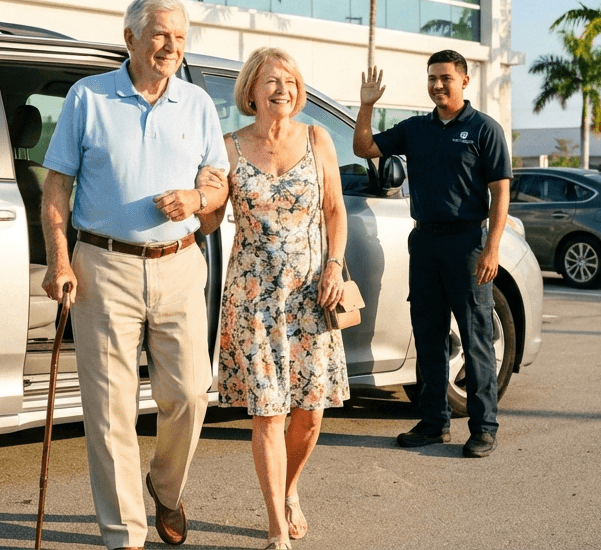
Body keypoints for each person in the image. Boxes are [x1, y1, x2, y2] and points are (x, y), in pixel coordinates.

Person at [40, 0, 230, 550]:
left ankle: (166, 489)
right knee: (110, 409)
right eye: (161, 35)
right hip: (102, 265)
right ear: (131, 39)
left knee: (191, 395)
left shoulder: (197, 104)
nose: (172, 46)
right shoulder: (87, 97)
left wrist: (196, 198)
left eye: (180, 37)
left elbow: (218, 181)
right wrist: (58, 260)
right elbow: (57, 185)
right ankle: (124, 534)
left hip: (177, 265)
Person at [199, 48, 349, 550]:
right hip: (253, 298)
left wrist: (333, 265)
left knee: (310, 412)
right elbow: (212, 218)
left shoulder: (317, 138)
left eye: (289, 81)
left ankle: (289, 489)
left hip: (311, 295)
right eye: (270, 82)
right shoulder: (229, 147)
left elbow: (334, 211)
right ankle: (275, 526)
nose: (281, 90)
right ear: (251, 92)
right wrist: (199, 196)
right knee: (268, 411)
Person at [352, 50, 511, 458]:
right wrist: (367, 105)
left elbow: (500, 191)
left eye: (445, 77)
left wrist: (491, 248)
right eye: (432, 78)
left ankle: (483, 427)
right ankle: (434, 422)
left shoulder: (483, 129)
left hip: (467, 244)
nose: (438, 85)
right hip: (423, 242)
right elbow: (364, 147)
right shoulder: (416, 129)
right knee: (428, 335)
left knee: (475, 338)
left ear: (463, 80)